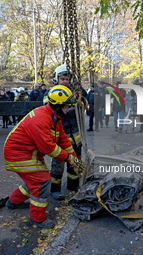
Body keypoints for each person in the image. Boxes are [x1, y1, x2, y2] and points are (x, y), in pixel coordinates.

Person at [4, 85, 85, 229]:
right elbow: (48, 148)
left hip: (27, 153)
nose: (68, 110)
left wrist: (75, 160)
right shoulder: (41, 118)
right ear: (58, 106)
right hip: (19, 154)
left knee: (34, 181)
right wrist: (70, 159)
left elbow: (64, 141)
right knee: (42, 181)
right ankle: (37, 219)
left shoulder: (54, 117)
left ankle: (13, 202)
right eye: (66, 107)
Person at [49, 64, 86, 200]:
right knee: (57, 166)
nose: (65, 81)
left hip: (76, 137)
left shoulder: (74, 93)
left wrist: (81, 95)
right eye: (62, 79)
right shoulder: (51, 94)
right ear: (56, 79)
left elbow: (83, 106)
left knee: (75, 164)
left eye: (67, 79)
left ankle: (73, 186)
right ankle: (55, 189)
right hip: (60, 138)